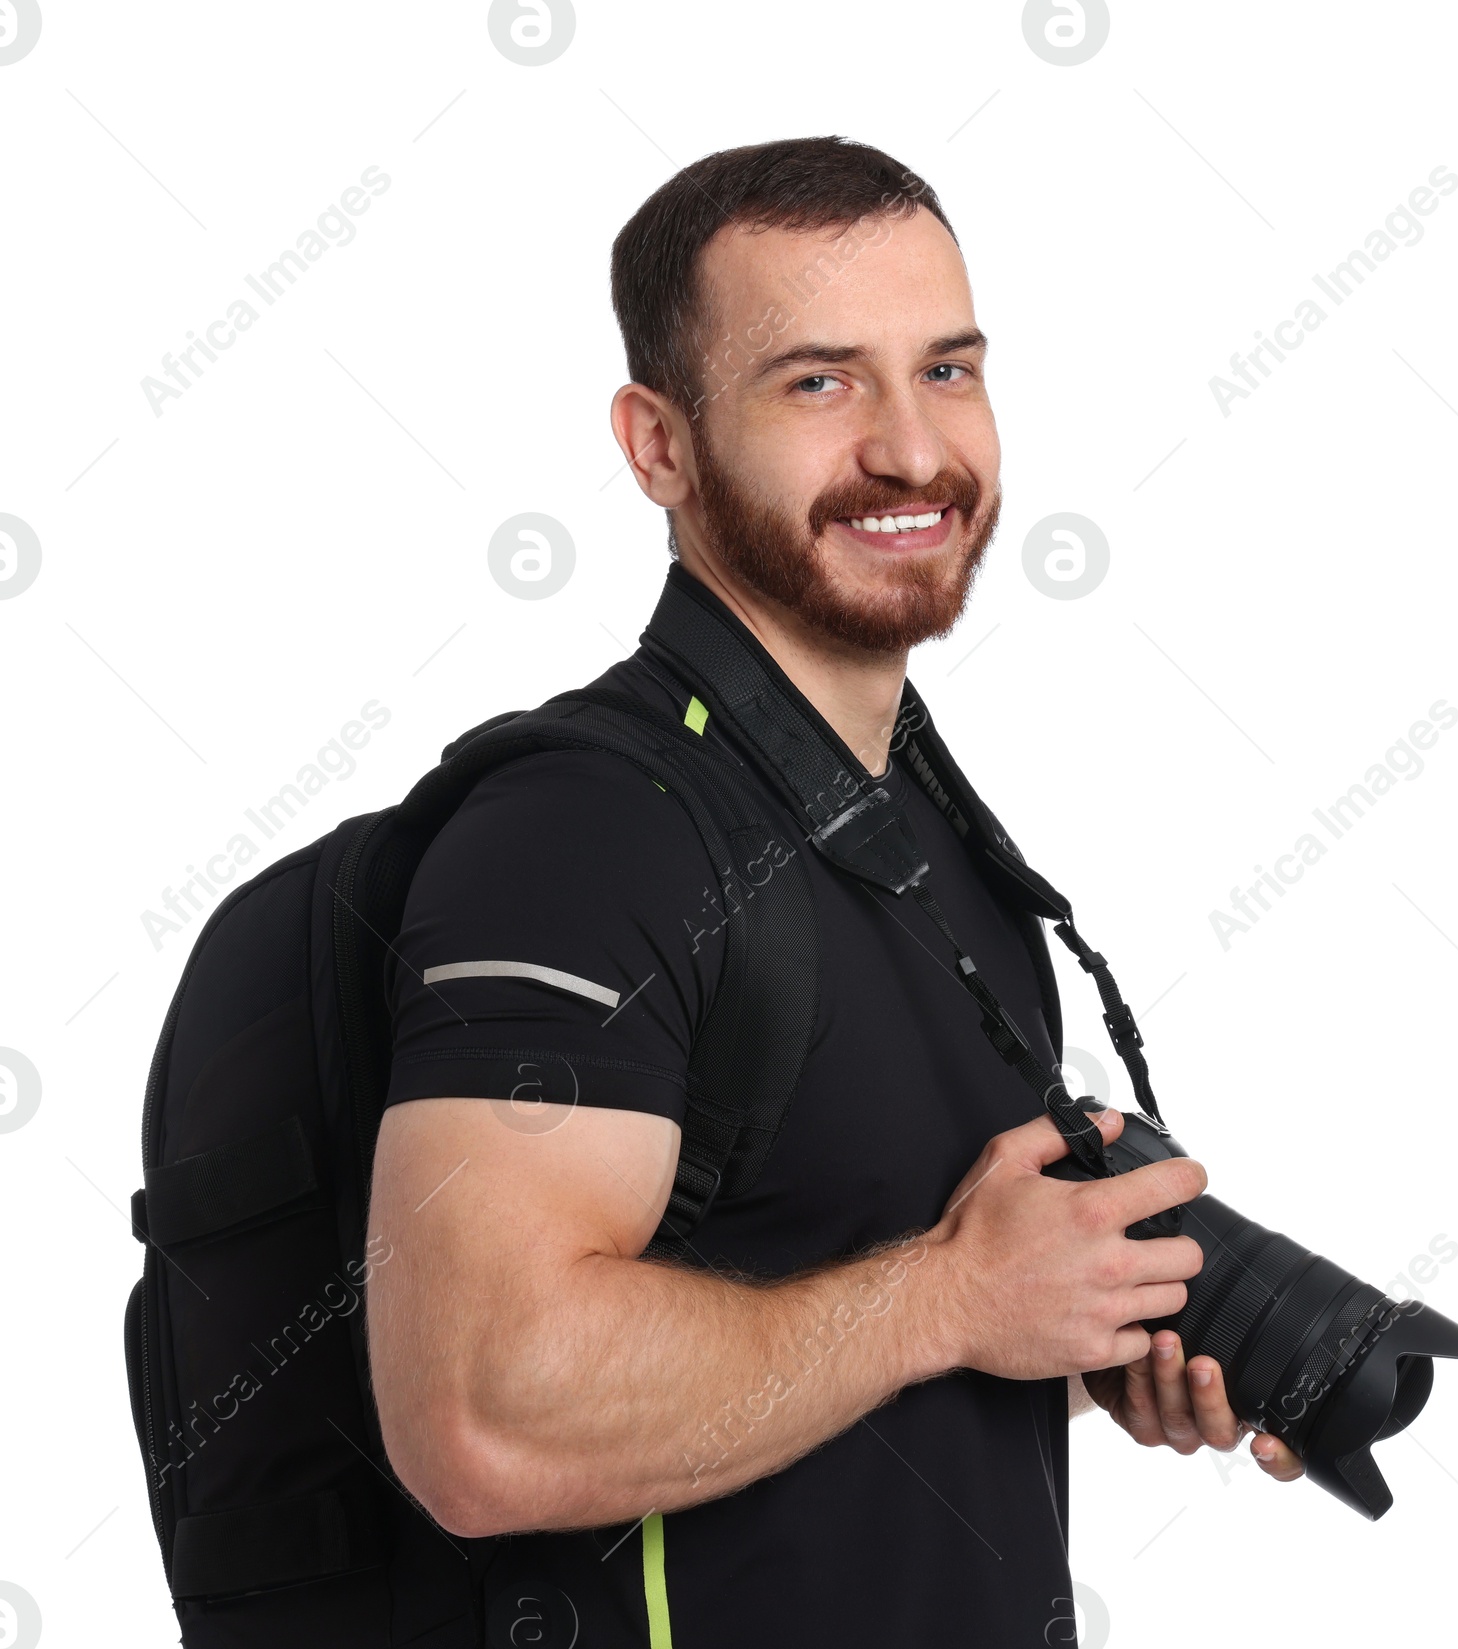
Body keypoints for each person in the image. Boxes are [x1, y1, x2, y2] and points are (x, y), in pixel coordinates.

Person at [365, 135, 1303, 1646]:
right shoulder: (585, 830)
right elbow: (481, 1412)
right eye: (819, 382)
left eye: (946, 369)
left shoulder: (930, 847)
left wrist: (1077, 1321)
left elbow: (843, 1287)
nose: (912, 450)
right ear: (657, 445)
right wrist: (944, 1302)